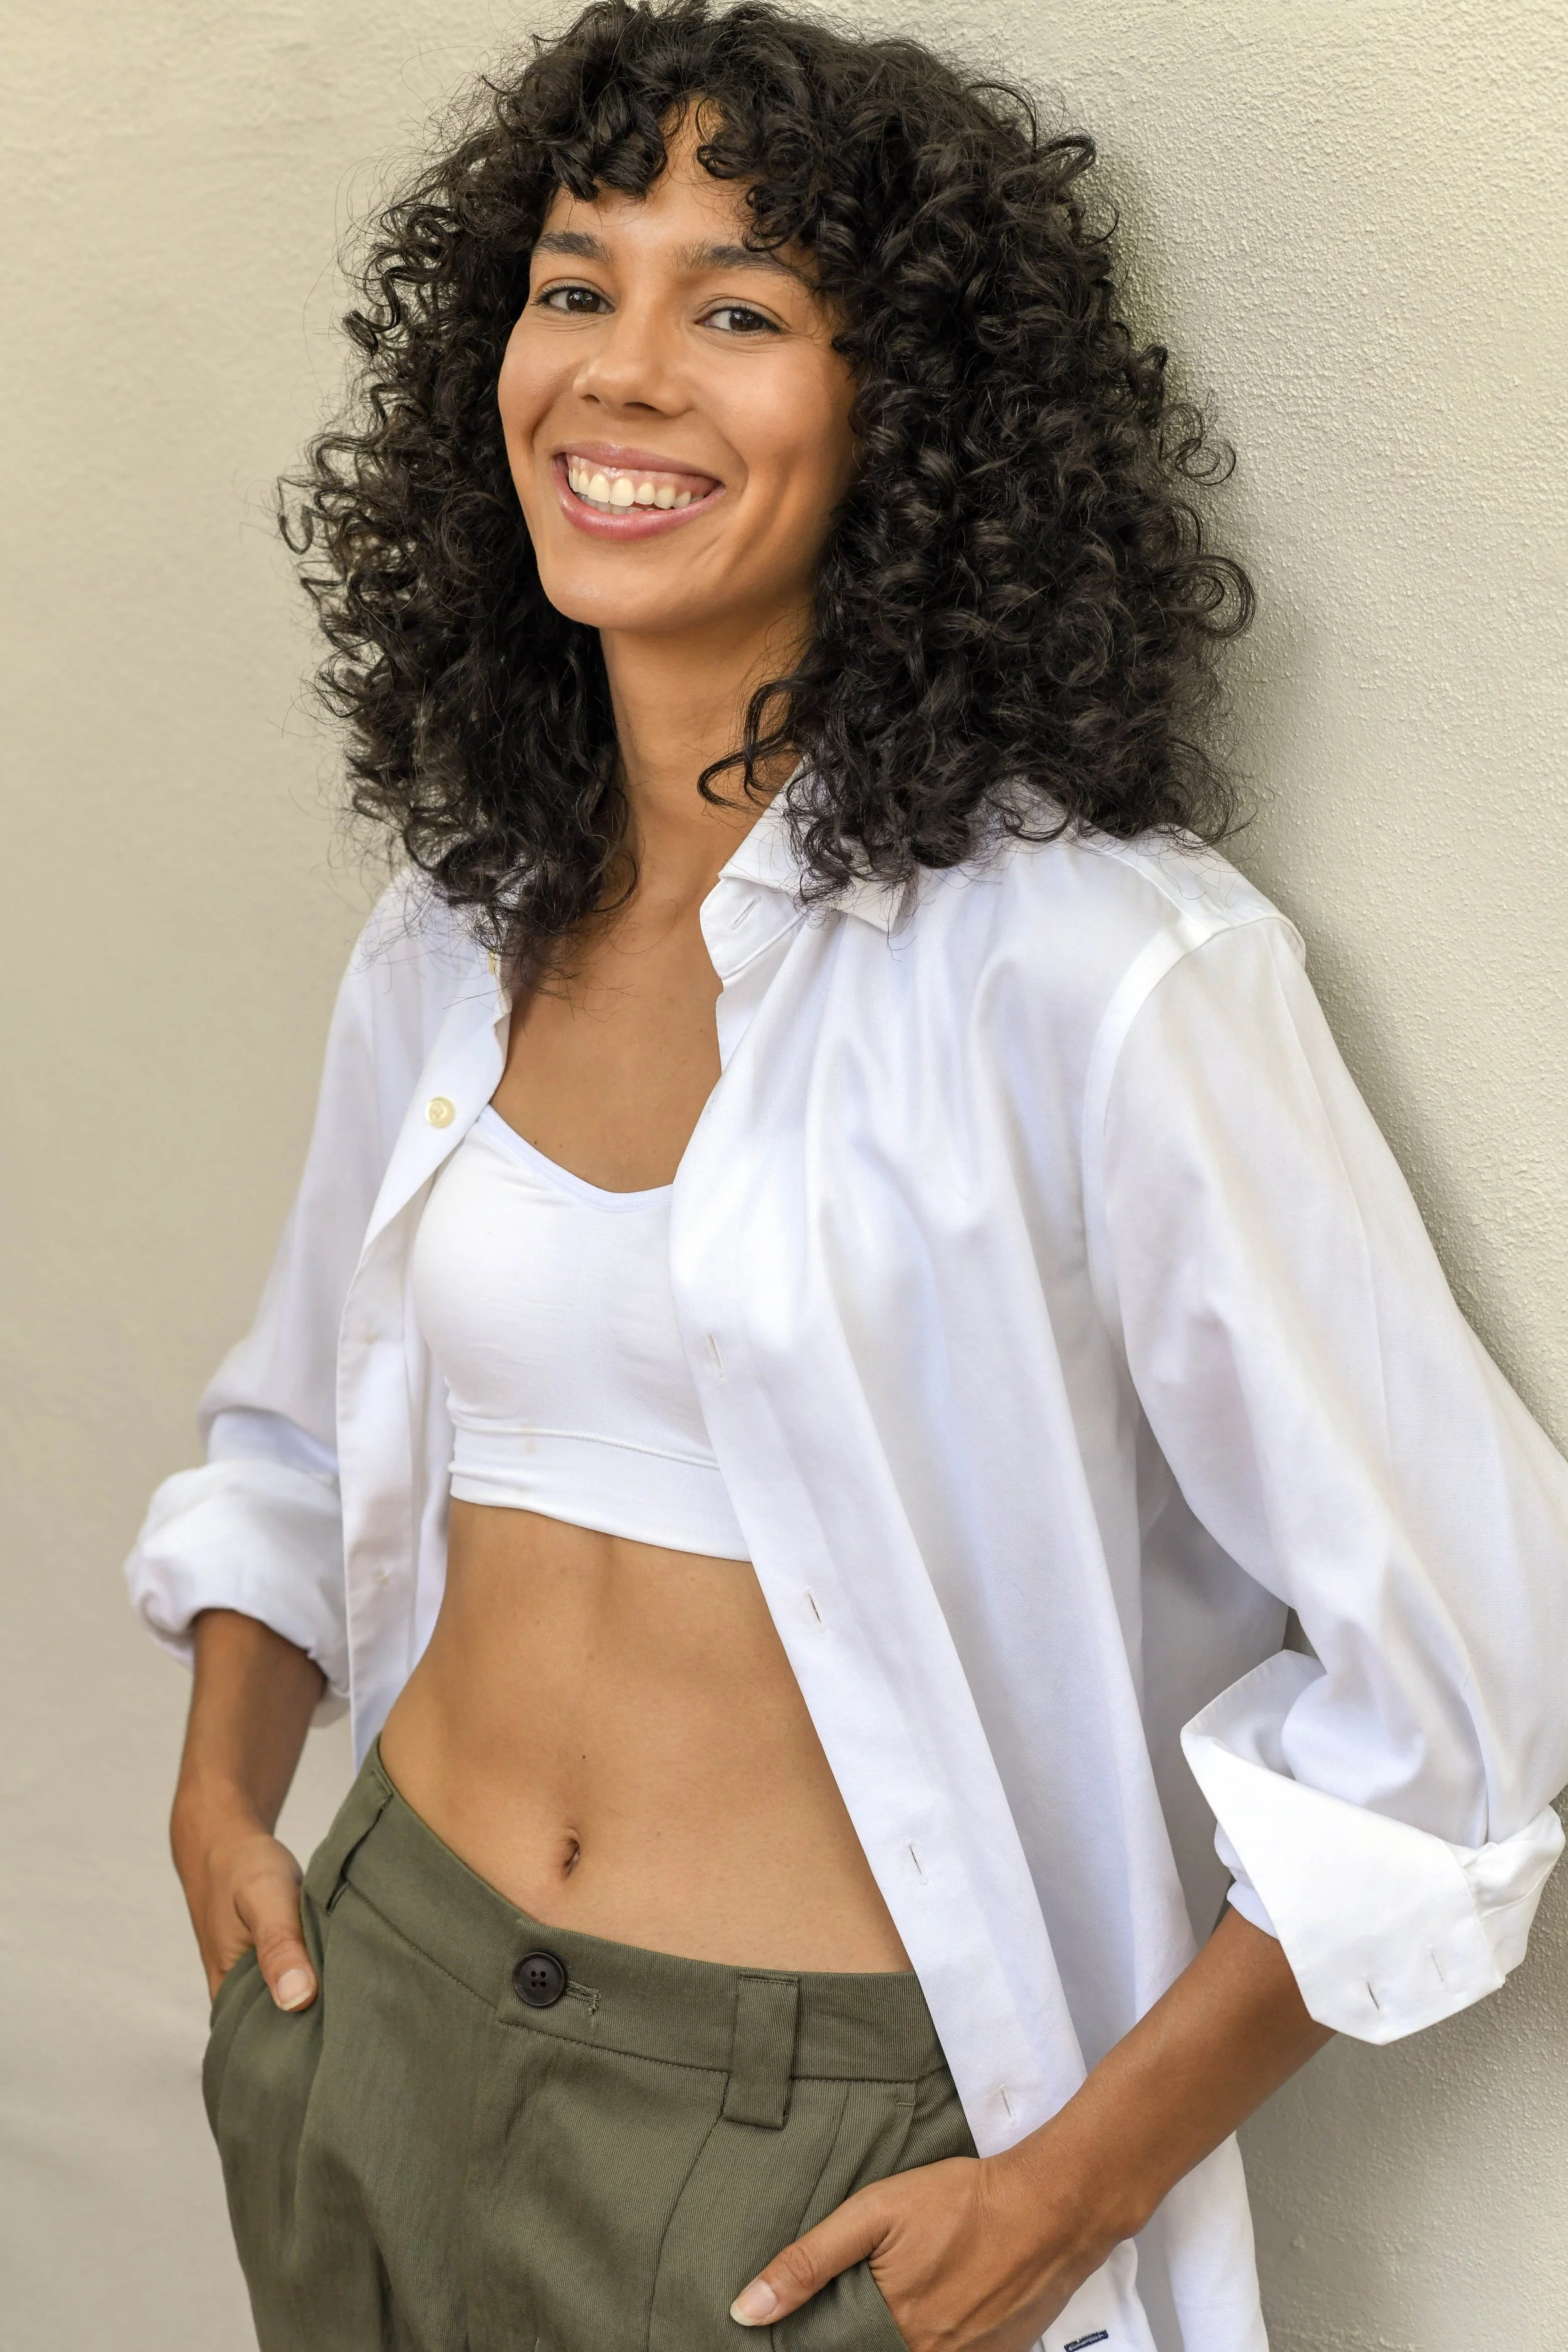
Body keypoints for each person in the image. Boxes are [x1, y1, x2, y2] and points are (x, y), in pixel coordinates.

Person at [125, 4, 1568, 2349]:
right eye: (575, 285)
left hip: (801, 2154)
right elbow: (295, 1431)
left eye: (741, 310)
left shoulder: (1102, 975)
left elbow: (1472, 1675)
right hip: (370, 2010)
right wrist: (224, 1807)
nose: (620, 372)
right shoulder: (457, 925)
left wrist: (1068, 2191)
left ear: (908, 421)